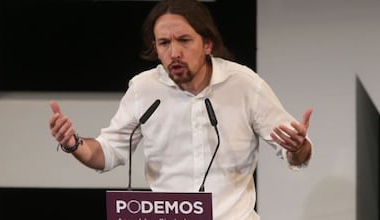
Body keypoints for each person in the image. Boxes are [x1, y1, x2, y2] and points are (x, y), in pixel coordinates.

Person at [49, 0, 313, 219]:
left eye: (184, 40)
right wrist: (73, 144)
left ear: (207, 44)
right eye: (164, 43)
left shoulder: (244, 85)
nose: (174, 52)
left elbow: (297, 154)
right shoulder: (144, 89)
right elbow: (107, 152)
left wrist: (297, 147)